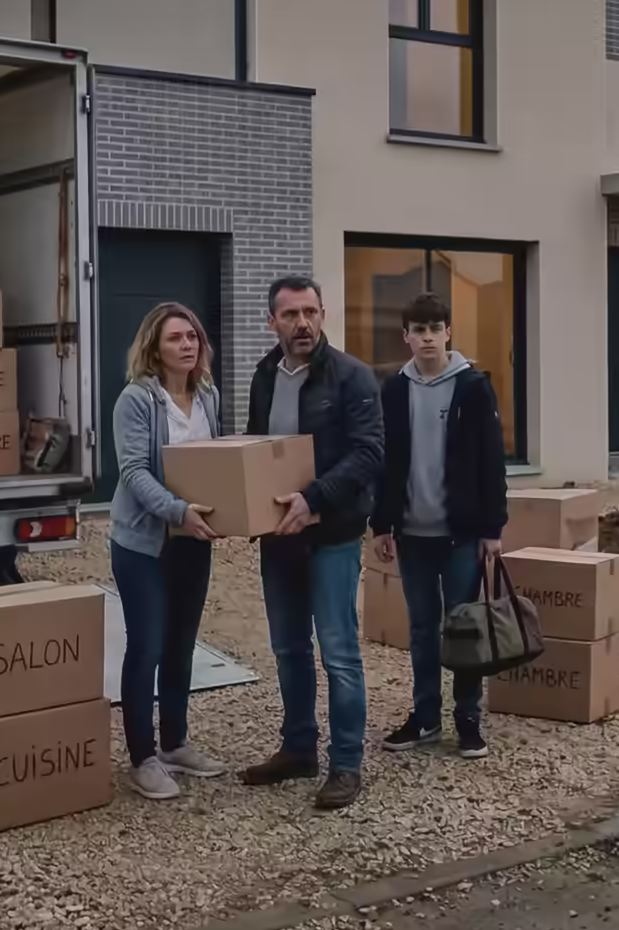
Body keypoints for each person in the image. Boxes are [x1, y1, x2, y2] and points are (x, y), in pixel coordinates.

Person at [237, 276, 384, 810]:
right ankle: (298, 748)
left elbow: (370, 453)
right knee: (288, 649)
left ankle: (346, 764)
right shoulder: (262, 375)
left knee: (339, 653)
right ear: (271, 322)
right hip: (278, 538)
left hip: (333, 533)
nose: (302, 323)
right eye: (290, 314)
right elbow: (258, 450)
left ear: (323, 315)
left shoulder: (351, 377)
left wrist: (315, 498)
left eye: (311, 312)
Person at [369, 291, 508, 758]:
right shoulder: (394, 389)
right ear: (406, 337)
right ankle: (425, 717)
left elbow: (492, 462)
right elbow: (386, 464)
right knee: (422, 629)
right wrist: (381, 525)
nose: (427, 338)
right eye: (418, 330)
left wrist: (493, 528)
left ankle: (467, 717)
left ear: (448, 332)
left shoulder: (472, 387)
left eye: (435, 329)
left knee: (464, 626)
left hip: (462, 536)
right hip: (412, 535)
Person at [106, 302, 226, 801]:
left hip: (192, 542)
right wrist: (178, 511)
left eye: (193, 336)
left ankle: (176, 742)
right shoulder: (136, 400)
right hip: (143, 544)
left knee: (182, 644)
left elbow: (216, 465)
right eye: (176, 338)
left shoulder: (208, 396)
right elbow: (134, 474)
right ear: (154, 348)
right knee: (148, 645)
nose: (188, 345)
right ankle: (142, 757)